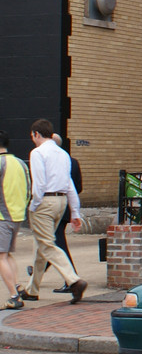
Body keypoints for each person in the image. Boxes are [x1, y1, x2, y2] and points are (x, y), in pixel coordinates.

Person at [21, 119, 87, 304]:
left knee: (47, 245)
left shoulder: (37, 153)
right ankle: (32, 289)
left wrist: (33, 206)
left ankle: (73, 280)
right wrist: (75, 212)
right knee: (42, 246)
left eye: (32, 136)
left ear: (36, 134)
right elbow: (70, 185)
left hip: (45, 202)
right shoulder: (63, 154)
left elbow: (39, 184)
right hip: (62, 201)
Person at [45, 133, 81, 294]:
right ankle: (38, 271)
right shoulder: (72, 161)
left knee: (57, 241)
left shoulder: (52, 160)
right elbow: (78, 187)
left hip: (54, 205)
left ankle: (71, 279)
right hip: (67, 206)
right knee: (50, 239)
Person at [0, 130, 31, 310]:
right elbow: (29, 189)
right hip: (18, 214)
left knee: (1, 256)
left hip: (2, 215)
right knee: (7, 254)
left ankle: (14, 296)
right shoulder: (20, 163)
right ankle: (17, 287)